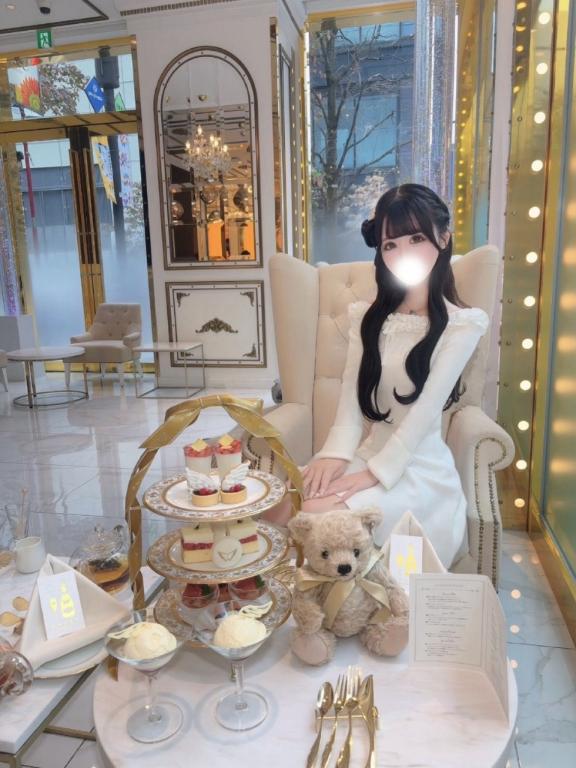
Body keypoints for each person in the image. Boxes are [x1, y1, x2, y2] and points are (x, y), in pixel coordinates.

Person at [300, 183, 489, 568]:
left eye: (416, 238)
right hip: (369, 453)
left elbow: (426, 411)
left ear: (443, 238)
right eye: (390, 244)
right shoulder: (368, 317)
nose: (403, 253)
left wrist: (373, 474)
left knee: (321, 516)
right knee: (289, 502)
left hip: (419, 470)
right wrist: (335, 454)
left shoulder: (463, 324)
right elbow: (351, 396)